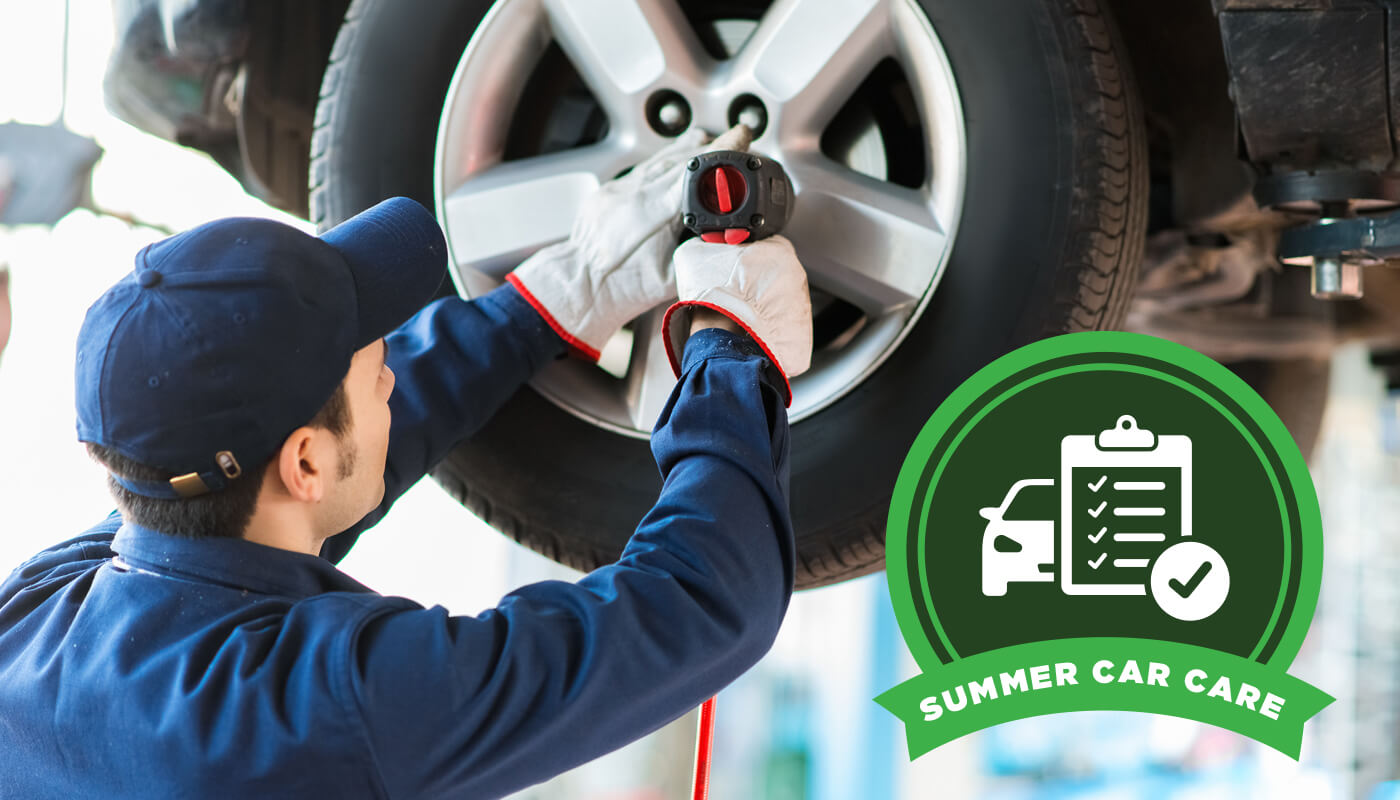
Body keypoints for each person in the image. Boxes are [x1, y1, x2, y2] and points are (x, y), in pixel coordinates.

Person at [0, 128, 812, 798]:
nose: (392, 366)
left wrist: (544, 306)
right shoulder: (317, 715)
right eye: (372, 362)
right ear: (306, 465)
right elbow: (702, 605)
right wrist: (729, 351)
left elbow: (283, 487)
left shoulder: (36, 616)